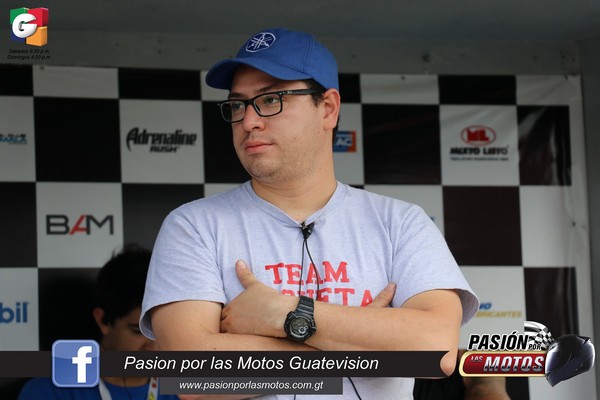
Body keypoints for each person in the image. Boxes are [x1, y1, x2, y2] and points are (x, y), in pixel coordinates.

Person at [140, 27, 479, 399]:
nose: (249, 121)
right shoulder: (193, 225)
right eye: (238, 105)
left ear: (328, 108)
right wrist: (359, 340)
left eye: (271, 99)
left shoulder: (400, 223)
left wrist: (284, 313)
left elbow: (435, 351)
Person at [19, 244, 179, 400]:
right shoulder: (49, 391)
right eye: (140, 331)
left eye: (164, 331)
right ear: (103, 321)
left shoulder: (187, 388)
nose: (154, 345)